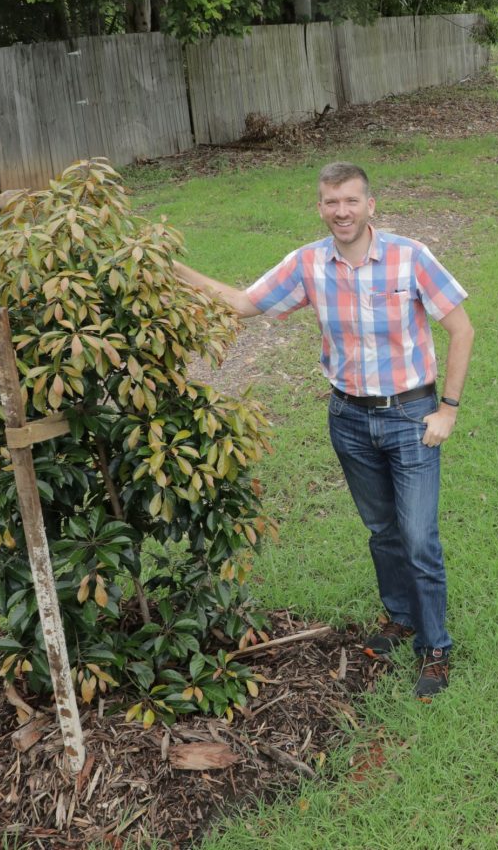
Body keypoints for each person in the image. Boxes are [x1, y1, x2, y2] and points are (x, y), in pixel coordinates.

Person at [175, 161, 474, 701]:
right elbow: (244, 304)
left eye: (351, 201)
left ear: (370, 205)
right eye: (332, 203)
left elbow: (461, 328)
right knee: (383, 531)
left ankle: (435, 645)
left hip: (411, 417)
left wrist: (447, 409)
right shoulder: (309, 263)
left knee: (418, 538)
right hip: (350, 420)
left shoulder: (410, 257)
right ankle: (401, 617)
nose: (342, 212)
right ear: (320, 207)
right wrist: (174, 271)